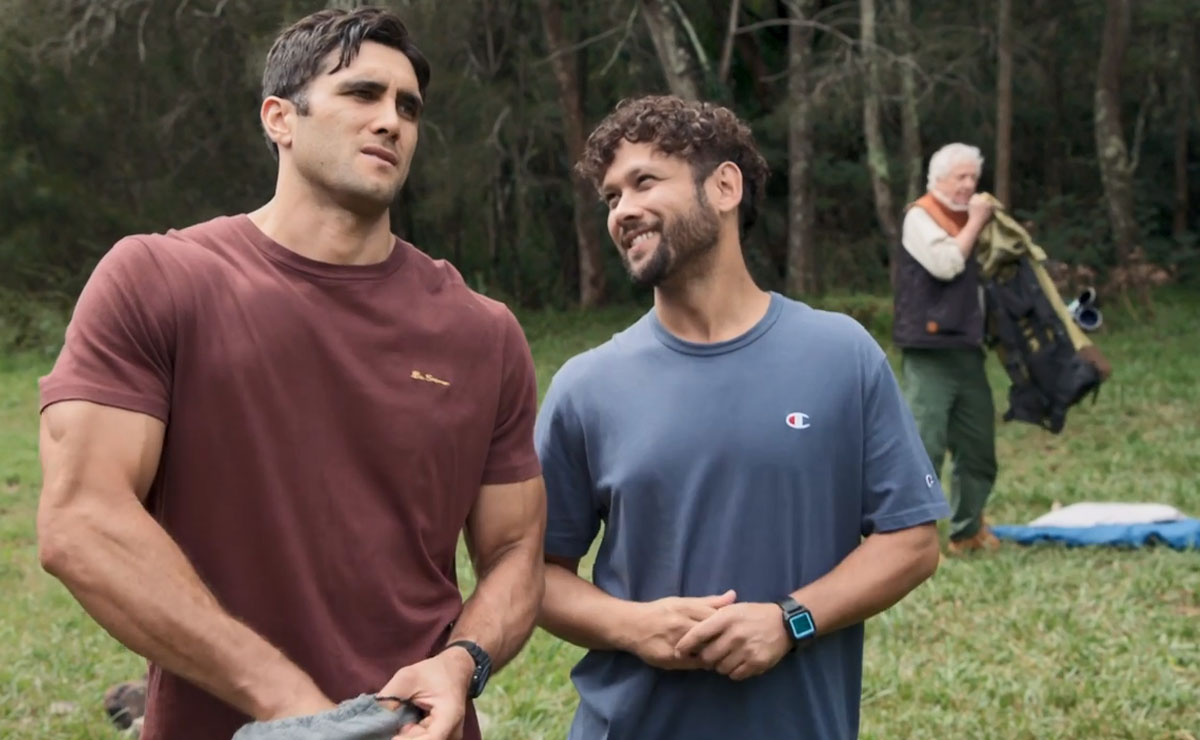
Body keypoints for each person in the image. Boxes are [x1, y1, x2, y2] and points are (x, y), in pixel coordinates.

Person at [35, 8, 546, 740]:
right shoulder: (161, 281)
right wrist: (292, 705)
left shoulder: (481, 333)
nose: (391, 121)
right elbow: (83, 520)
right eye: (362, 94)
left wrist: (462, 662)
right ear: (280, 118)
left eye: (408, 107)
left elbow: (515, 551)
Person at [533, 95, 950, 739]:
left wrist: (790, 620)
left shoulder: (841, 355)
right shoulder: (587, 386)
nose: (622, 210)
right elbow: (532, 574)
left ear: (725, 187)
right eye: (611, 196)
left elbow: (913, 543)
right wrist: (635, 626)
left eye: (644, 182)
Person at [893, 143, 1000, 554]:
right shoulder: (920, 216)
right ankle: (910, 539)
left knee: (978, 446)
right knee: (926, 446)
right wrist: (977, 222)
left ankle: (967, 531)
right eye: (961, 177)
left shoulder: (969, 218)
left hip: (967, 348)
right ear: (937, 179)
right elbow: (947, 264)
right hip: (929, 350)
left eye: (974, 177)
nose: (969, 185)